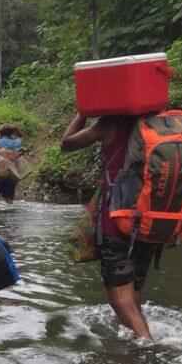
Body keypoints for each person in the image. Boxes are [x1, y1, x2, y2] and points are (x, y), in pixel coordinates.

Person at [60, 113, 158, 340]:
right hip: (151, 219)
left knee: (120, 299)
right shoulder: (156, 122)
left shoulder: (109, 123)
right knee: (132, 292)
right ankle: (139, 340)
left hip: (118, 221)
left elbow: (67, 143)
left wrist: (82, 112)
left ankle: (150, 349)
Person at [0, 123, 24, 206]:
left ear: (0, 133)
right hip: (11, 172)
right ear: (12, 133)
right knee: (9, 199)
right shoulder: (16, 143)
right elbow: (21, 136)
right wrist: (16, 129)